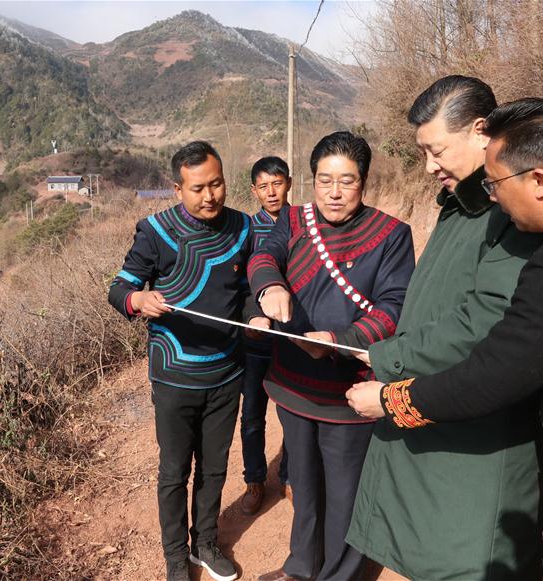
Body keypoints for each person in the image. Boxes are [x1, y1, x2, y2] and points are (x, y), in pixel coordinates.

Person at [346, 98, 543, 581]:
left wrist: (391, 398)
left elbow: (496, 375)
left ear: (540, 181)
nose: (494, 198)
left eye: (496, 184)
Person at [345, 76, 543, 580]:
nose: (430, 166)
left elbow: (489, 318)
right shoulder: (463, 205)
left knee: (469, 556)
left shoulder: (512, 209)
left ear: (482, 132)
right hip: (436, 396)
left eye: (436, 150)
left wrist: (390, 358)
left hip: (477, 430)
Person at [249, 131, 415, 581]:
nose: (335, 193)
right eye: (325, 181)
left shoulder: (392, 235)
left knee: (345, 491)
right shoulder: (295, 219)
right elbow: (265, 253)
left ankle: (341, 575)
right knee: (303, 481)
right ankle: (301, 567)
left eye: (347, 181)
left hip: (349, 390)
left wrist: (341, 337)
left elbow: (395, 305)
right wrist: (271, 285)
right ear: (312, 181)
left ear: (364, 183)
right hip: (293, 381)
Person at [108, 141, 253, 581]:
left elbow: (245, 292)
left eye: (216, 184)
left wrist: (258, 314)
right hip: (174, 376)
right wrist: (138, 298)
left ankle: (205, 543)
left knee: (215, 465)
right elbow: (119, 288)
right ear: (177, 188)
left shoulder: (243, 228)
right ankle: (175, 555)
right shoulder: (154, 232)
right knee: (175, 470)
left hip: (227, 372)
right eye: (197, 188)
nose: (209, 196)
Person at [240, 156, 291, 515]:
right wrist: (254, 318)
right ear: (254, 190)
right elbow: (240, 286)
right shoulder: (246, 230)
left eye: (277, 183)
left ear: (288, 182)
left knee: (292, 410)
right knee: (253, 413)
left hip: (293, 334)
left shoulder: (304, 221)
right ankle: (255, 480)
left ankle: (290, 476)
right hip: (257, 336)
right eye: (264, 186)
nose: (271, 192)